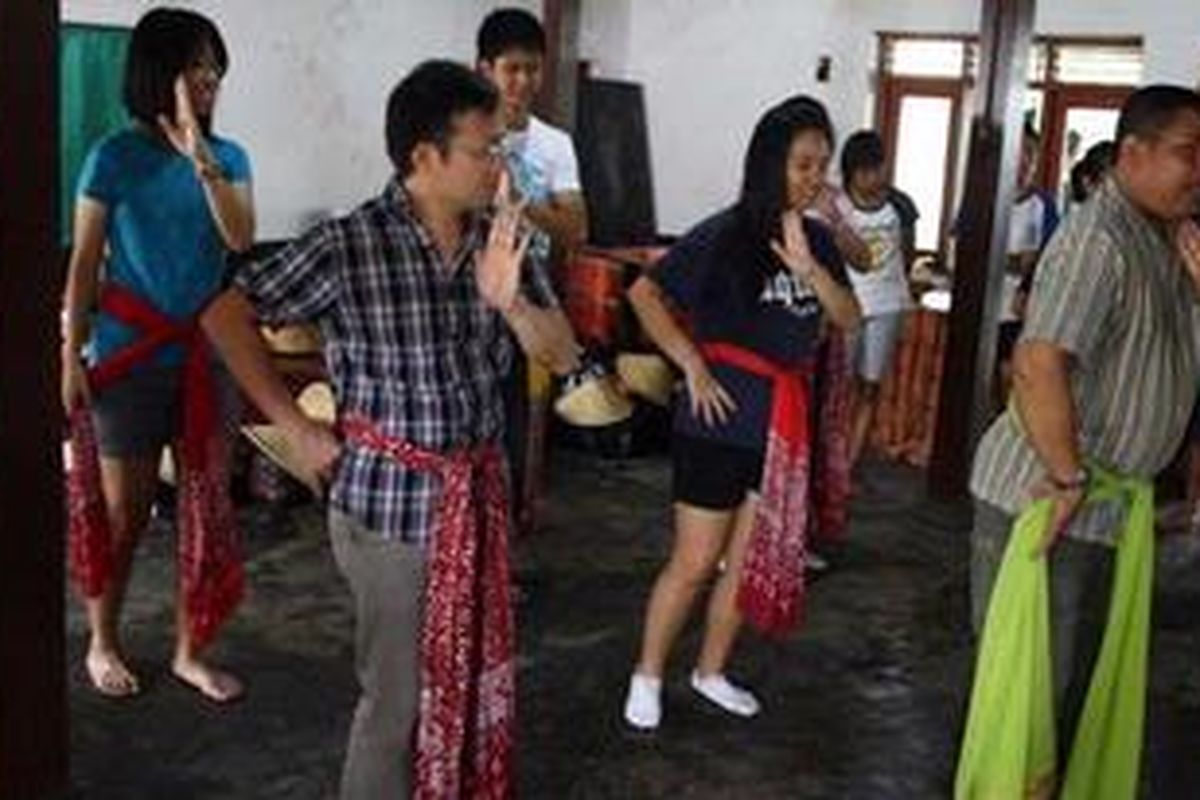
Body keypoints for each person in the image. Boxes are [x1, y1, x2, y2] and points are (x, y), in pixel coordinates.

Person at [202, 60, 578, 799]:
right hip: (389, 512)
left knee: (471, 680)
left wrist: (509, 302)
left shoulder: (502, 242)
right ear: (424, 156)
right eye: (484, 150)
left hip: (476, 500)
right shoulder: (351, 244)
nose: (498, 166)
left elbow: (562, 354)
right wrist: (293, 425)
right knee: (398, 700)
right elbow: (224, 314)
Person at [968, 84, 1200, 767]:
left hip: (1106, 508)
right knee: (1034, 704)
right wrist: (1068, 477)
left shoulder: (1167, 239)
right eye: (1190, 153)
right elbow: (1037, 362)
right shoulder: (1100, 240)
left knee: (1073, 696)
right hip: (1051, 504)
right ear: (1133, 153)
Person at [620, 96, 861, 732]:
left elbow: (848, 317)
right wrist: (690, 365)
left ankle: (710, 671)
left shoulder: (816, 239)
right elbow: (644, 293)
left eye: (822, 165)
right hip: (718, 424)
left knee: (745, 561)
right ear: (770, 164)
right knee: (697, 560)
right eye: (803, 164)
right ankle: (647, 673)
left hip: (781, 426)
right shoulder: (725, 235)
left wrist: (811, 271)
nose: (814, 178)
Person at [61, 6, 254, 703]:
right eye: (195, 66)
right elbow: (85, 263)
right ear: (158, 75)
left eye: (214, 67)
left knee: (206, 510)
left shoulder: (229, 158)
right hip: (128, 357)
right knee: (125, 514)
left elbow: (240, 238)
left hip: (206, 356)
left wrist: (201, 157)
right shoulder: (113, 156)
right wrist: (69, 358)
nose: (208, 78)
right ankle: (102, 640)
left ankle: (188, 653)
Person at [477, 7, 587, 533]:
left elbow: (576, 228)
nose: (522, 81)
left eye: (532, 69)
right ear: (485, 69)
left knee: (517, 421)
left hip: (531, 295)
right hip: (474, 294)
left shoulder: (554, 145)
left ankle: (507, 530)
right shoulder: (468, 137)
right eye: (511, 69)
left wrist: (523, 203)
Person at [834, 130, 920, 469]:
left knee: (869, 386)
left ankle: (850, 463)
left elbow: (908, 255)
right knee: (839, 386)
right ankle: (832, 457)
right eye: (865, 171)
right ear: (851, 173)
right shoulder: (839, 207)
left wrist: (902, 290)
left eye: (878, 168)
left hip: (887, 305)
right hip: (848, 306)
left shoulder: (900, 205)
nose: (874, 177)